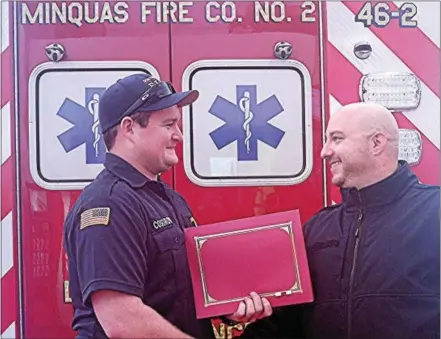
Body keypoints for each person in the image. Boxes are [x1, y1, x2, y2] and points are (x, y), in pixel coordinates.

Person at [62, 74, 273, 339]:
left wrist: (228, 307)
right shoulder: (108, 205)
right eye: (169, 125)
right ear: (129, 128)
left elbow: (180, 288)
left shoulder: (167, 200)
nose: (179, 136)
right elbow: (122, 321)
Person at [241, 102, 440, 339]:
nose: (325, 151)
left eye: (336, 139)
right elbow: (286, 321)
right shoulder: (316, 230)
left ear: (376, 143)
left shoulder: (434, 212)